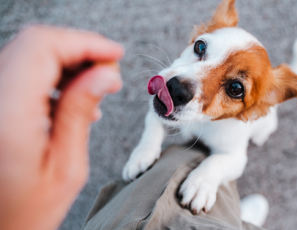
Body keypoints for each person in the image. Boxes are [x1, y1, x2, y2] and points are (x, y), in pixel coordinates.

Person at [0, 25, 267, 230]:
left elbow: (234, 157)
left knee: (261, 133)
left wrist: (211, 172)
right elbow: (157, 118)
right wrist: (148, 142)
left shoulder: (248, 117)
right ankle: (232, 219)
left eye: (234, 88)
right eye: (200, 49)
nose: (183, 83)